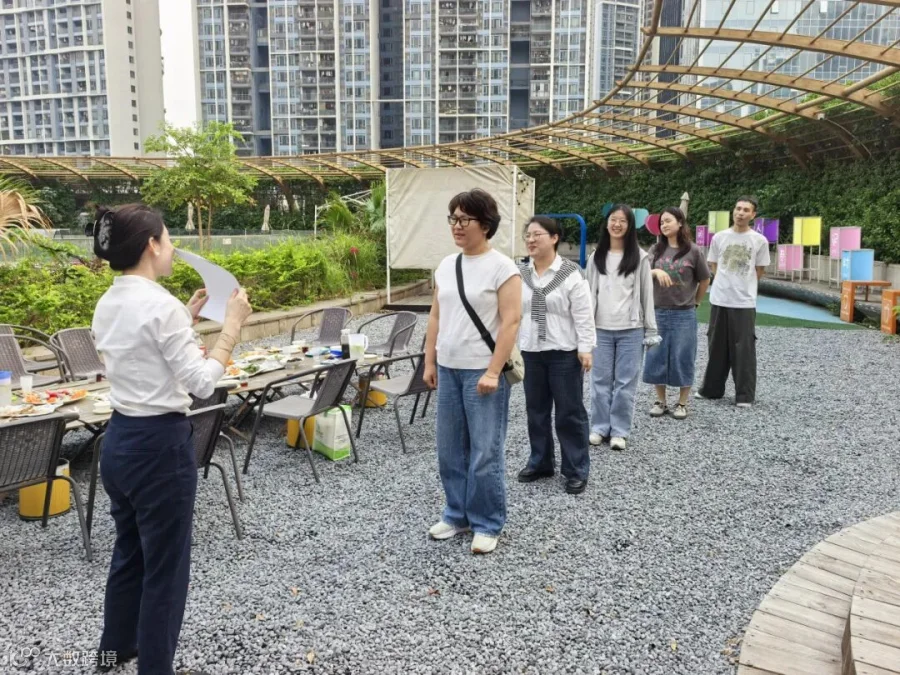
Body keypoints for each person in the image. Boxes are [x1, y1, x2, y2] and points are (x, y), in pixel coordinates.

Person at [90, 204, 252, 675]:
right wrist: (232, 327)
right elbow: (201, 383)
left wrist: (186, 315)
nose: (172, 247)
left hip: (120, 439)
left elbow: (142, 348)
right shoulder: (160, 306)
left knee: (129, 552)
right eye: (167, 237)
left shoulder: (109, 302)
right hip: (159, 446)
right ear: (151, 245)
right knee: (165, 568)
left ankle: (112, 652)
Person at [423, 188, 522, 555]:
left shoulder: (503, 268)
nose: (457, 226)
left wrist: (494, 371)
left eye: (465, 219)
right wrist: (429, 361)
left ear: (486, 223)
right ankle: (456, 514)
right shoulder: (446, 266)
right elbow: (435, 316)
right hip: (449, 367)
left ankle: (487, 522)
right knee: (449, 450)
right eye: (453, 218)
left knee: (485, 452)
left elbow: (511, 322)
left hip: (482, 371)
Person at [517, 216, 595, 495]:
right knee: (536, 411)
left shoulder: (571, 273)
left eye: (537, 234)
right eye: (528, 235)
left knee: (569, 412)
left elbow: (584, 314)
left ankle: (576, 469)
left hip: (564, 353)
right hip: (531, 351)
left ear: (554, 238)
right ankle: (541, 462)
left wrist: (586, 348)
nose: (531, 240)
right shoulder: (520, 273)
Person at [585, 204, 658, 452]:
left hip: (631, 329)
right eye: (613, 220)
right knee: (599, 382)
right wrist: (584, 328)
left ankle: (619, 431)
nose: (617, 224)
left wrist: (651, 329)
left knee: (626, 384)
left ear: (630, 226)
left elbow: (647, 295)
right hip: (600, 328)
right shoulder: (596, 257)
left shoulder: (640, 257)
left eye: (622, 221)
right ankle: (599, 427)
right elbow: (587, 294)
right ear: (606, 223)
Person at [696, 196, 770, 408]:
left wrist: (744, 284)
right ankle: (711, 389)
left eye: (746, 210)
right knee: (716, 345)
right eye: (738, 208)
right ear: (733, 211)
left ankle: (744, 395)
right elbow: (714, 264)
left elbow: (759, 270)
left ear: (753, 215)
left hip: (744, 301)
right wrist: (725, 282)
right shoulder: (720, 237)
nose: (740, 213)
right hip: (720, 299)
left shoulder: (759, 241)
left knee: (744, 349)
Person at [643, 207, 710, 419]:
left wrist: (696, 302)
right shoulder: (655, 249)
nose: (664, 225)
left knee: (684, 355)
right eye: (662, 222)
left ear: (680, 222)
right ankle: (660, 401)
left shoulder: (694, 251)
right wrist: (655, 271)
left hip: (684, 313)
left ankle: (682, 403)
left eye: (668, 221)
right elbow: (642, 274)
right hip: (657, 311)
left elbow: (704, 279)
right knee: (656, 355)